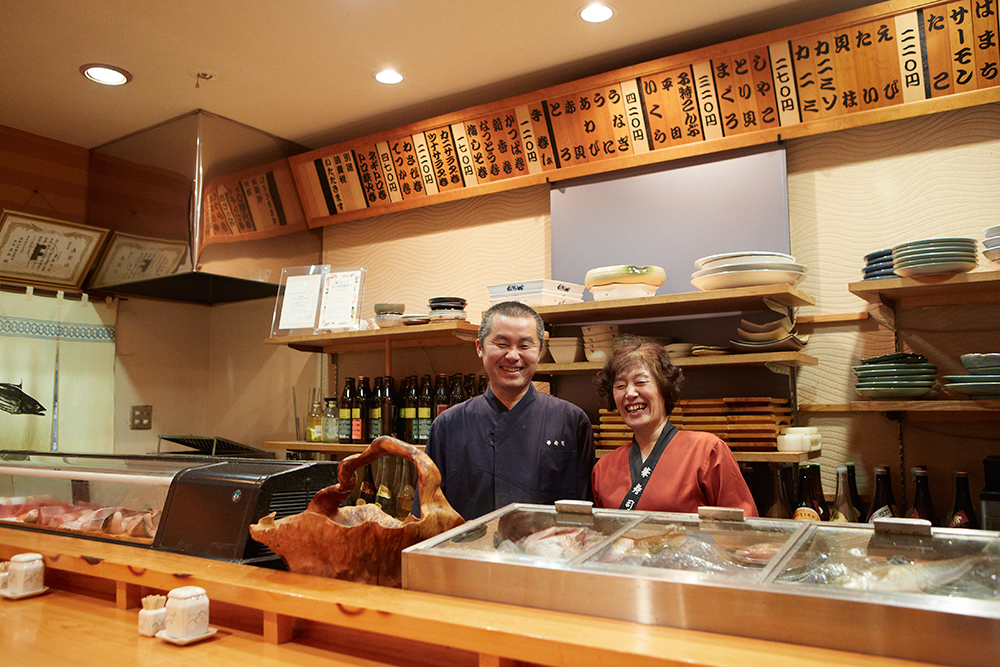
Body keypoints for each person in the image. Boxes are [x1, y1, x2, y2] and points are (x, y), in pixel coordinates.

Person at [425, 301, 595, 520]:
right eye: (502, 344)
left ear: (540, 350)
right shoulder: (448, 425)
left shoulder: (570, 421)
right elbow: (429, 515)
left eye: (525, 346)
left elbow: (581, 514)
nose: (513, 356)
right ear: (480, 347)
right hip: (468, 552)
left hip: (547, 553)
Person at [591, 336, 757, 516]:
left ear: (664, 389)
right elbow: (603, 534)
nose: (630, 393)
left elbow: (743, 529)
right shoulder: (603, 468)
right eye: (620, 385)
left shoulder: (707, 450)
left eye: (641, 382)